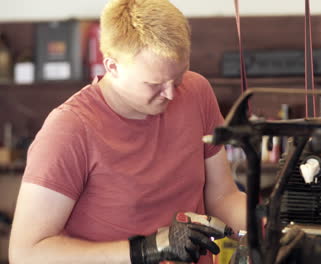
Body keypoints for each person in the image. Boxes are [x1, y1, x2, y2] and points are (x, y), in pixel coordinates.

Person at [8, 0, 246, 263]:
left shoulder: (197, 92)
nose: (169, 94)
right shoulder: (69, 130)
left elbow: (223, 196)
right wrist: (143, 250)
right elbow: (27, 253)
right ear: (112, 67)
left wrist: (270, 224)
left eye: (177, 78)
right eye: (154, 84)